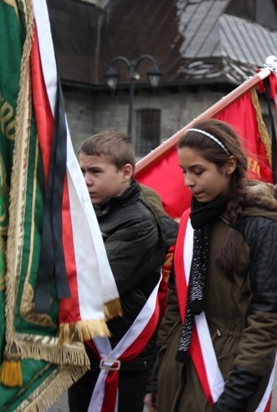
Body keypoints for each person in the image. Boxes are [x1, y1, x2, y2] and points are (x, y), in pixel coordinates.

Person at [145, 119, 277, 411]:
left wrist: (236, 394)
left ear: (228, 165)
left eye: (198, 171)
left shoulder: (264, 229)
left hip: (228, 373)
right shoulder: (192, 223)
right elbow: (178, 305)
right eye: (184, 172)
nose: (188, 181)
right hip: (179, 367)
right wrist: (156, 376)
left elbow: (266, 318)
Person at [69, 130, 172, 412]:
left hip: (121, 358)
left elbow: (94, 286)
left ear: (126, 172)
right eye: (81, 170)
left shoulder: (139, 224)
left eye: (95, 172)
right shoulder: (92, 211)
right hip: (87, 352)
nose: (86, 180)